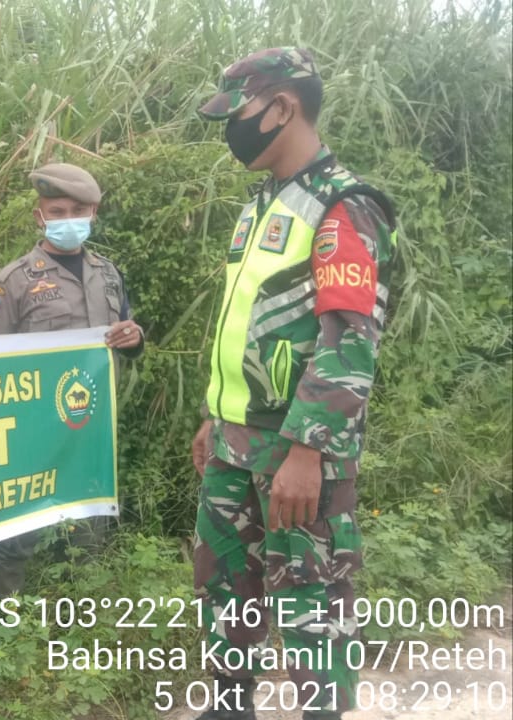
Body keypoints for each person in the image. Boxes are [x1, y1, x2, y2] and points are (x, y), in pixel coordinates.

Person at [189, 48, 397, 720]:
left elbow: (349, 340)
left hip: (296, 450)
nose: (231, 129)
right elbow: (247, 324)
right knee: (226, 590)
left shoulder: (344, 207)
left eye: (238, 113)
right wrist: (212, 417)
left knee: (312, 605)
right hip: (234, 443)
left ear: (283, 108)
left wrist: (309, 449)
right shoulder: (263, 205)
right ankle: (229, 708)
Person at [0, 162, 144, 598]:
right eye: (57, 211)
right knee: (17, 534)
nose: (67, 219)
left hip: (90, 429)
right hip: (32, 431)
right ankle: (1, 620)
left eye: (77, 210)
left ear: (93, 214)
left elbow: (123, 332)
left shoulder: (108, 273)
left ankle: (83, 620)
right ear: (40, 217)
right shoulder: (14, 280)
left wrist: (134, 337)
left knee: (89, 531)